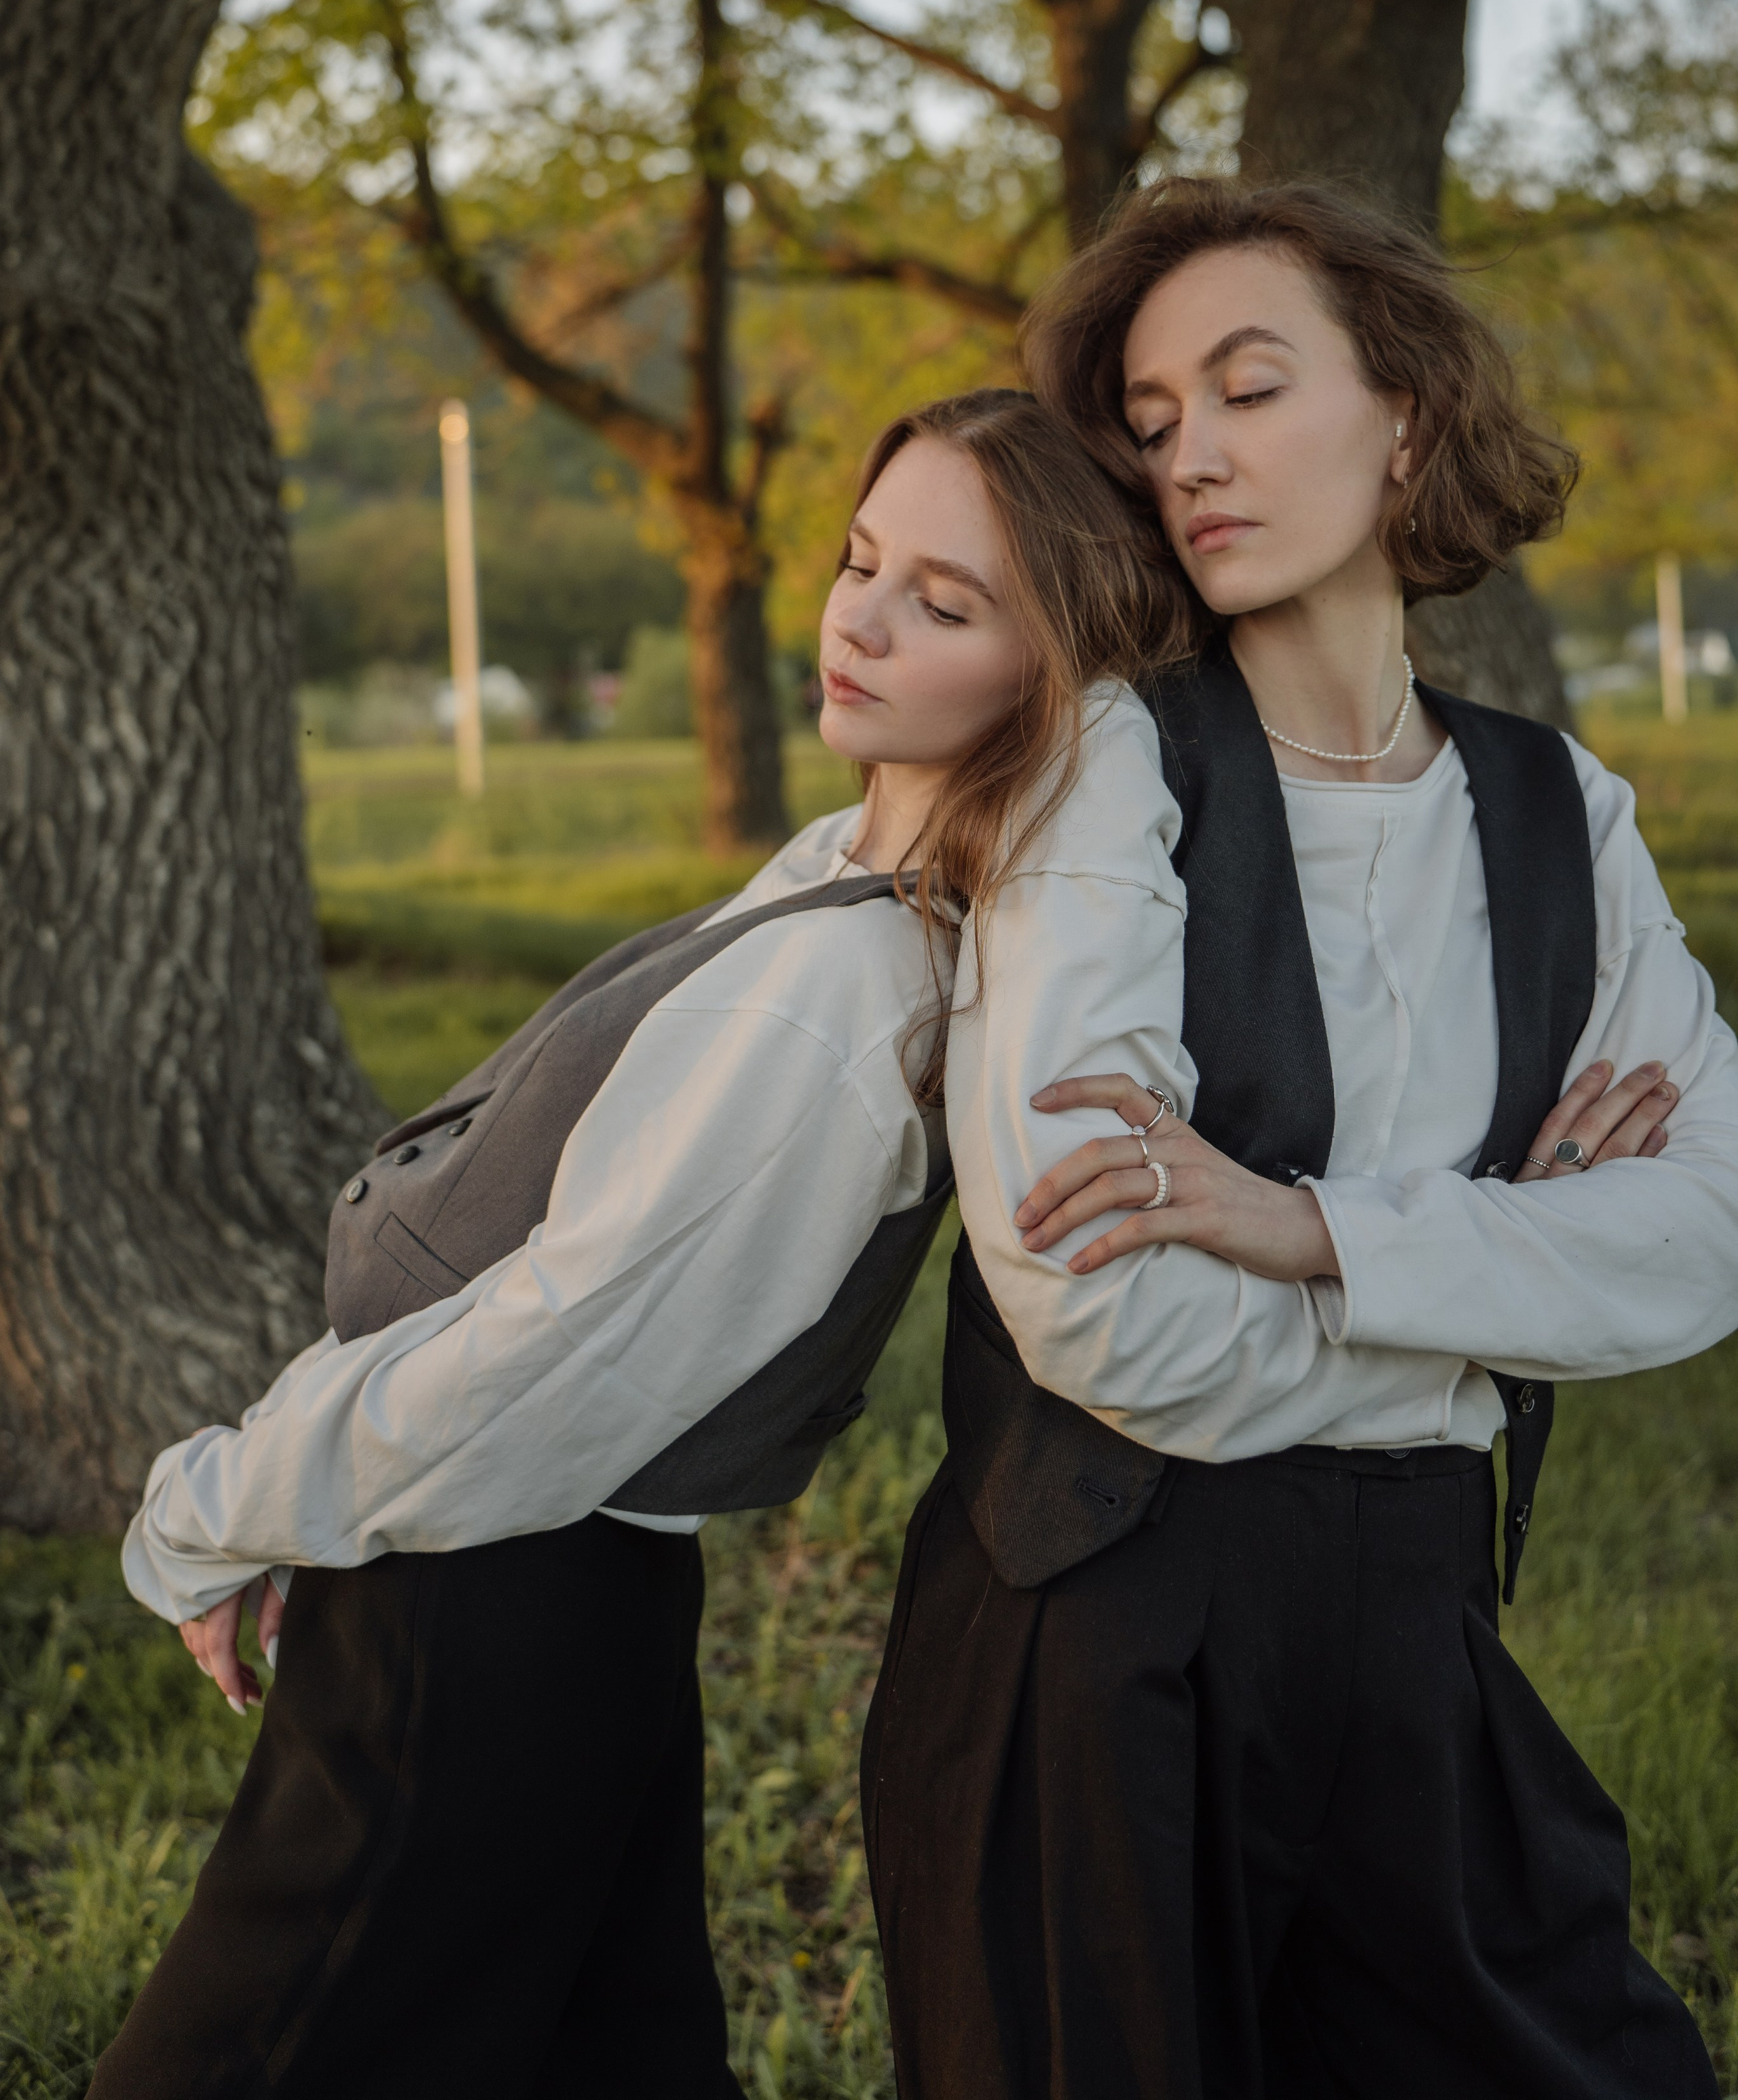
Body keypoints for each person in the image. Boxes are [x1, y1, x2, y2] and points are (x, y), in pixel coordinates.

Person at [94, 390, 1168, 2100]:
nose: (859, 620)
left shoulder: (845, 992)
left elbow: (556, 1354)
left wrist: (216, 1504)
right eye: (860, 559)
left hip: (490, 1596)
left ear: (1054, 683)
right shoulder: (839, 872)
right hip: (534, 1586)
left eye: (944, 605)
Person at [862, 179, 1737, 2100]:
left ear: (1406, 419)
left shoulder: (1553, 807)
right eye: (1154, 425)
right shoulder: (1105, 760)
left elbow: (1708, 1234)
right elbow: (1099, 1311)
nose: (1197, 458)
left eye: (1251, 390)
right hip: (1107, 1642)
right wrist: (1506, 1263)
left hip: (1426, 1621)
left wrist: (1307, 1228)